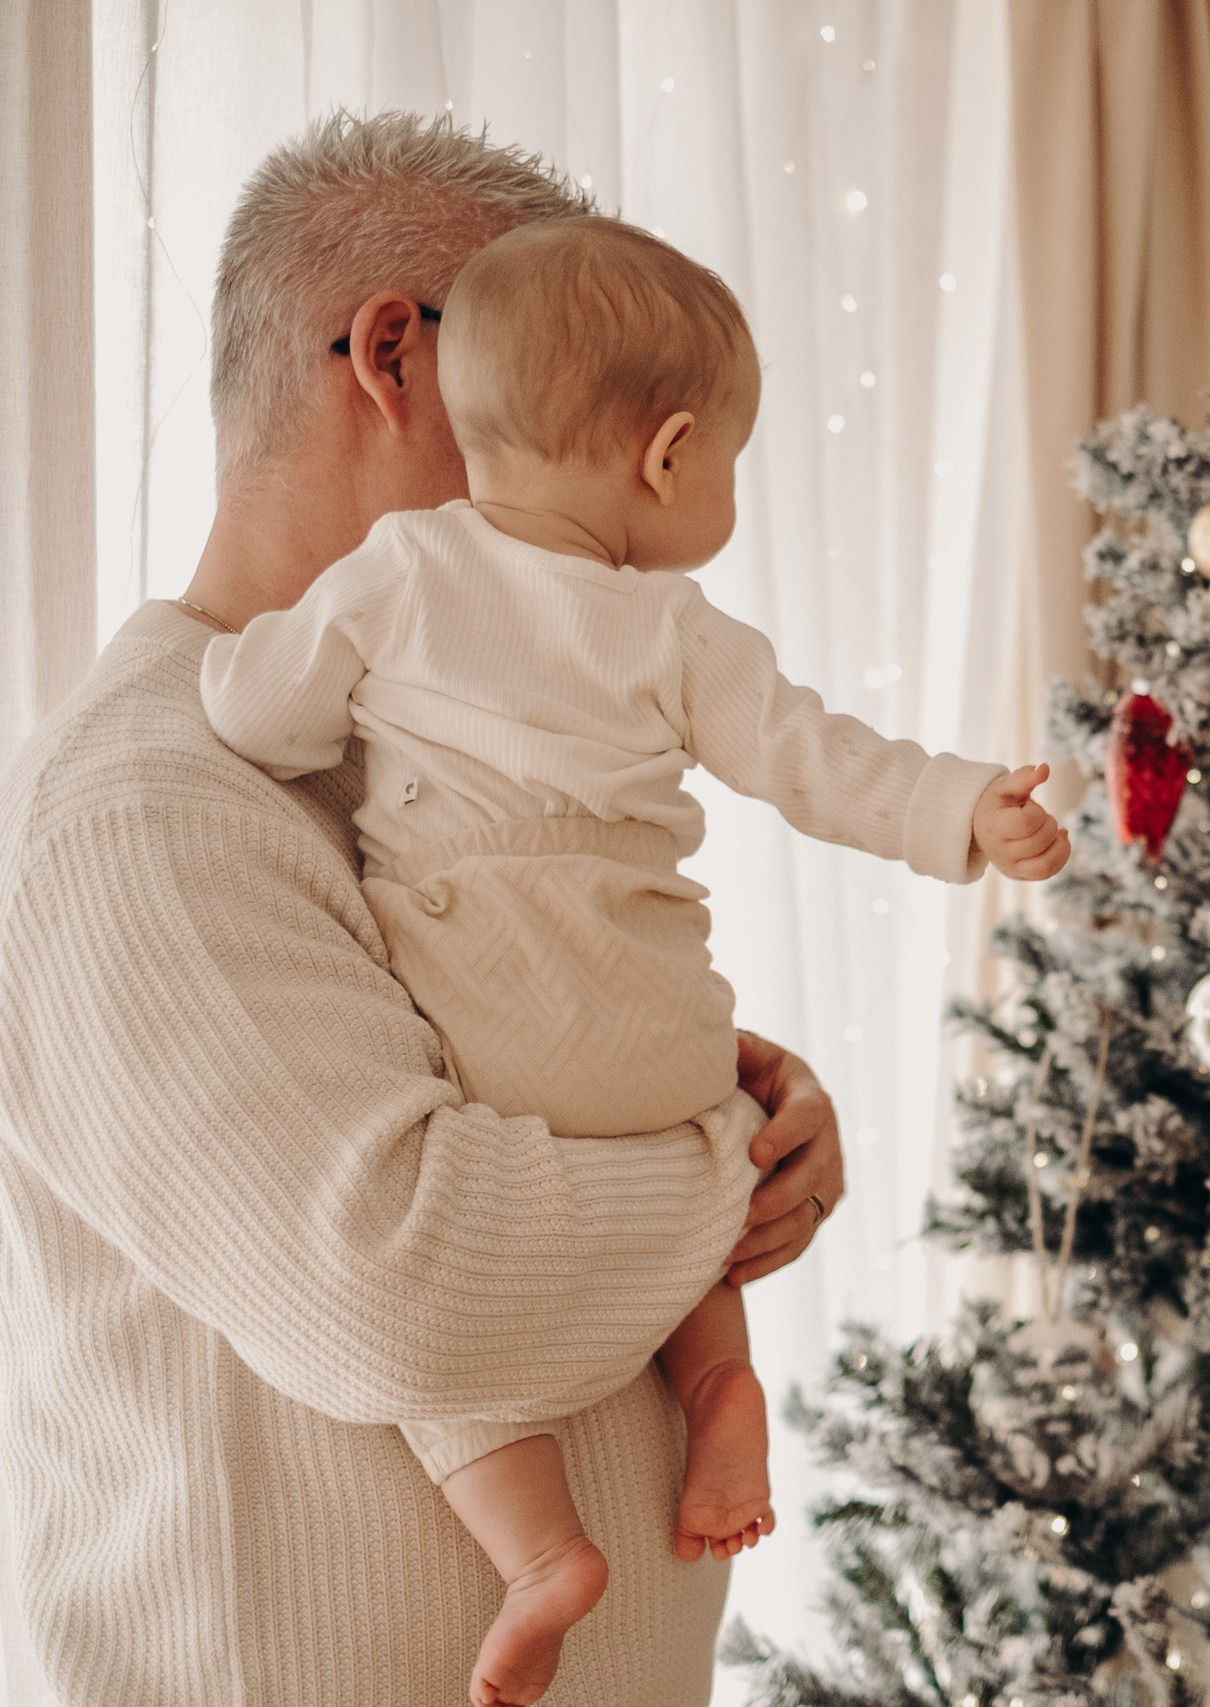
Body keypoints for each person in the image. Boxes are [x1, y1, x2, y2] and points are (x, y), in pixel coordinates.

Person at [0, 114, 846, 1707]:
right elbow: (410, 1284)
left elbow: (519, 1080)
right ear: (395, 357)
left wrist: (750, 1100)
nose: (617, 475)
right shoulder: (145, 809)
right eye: (560, 390)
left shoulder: (417, 751)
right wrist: (717, 1175)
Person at [194, 213, 1070, 1707]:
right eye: (728, 457)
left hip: (488, 1023)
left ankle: (540, 1552)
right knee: (683, 1154)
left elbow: (261, 720)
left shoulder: (399, 571)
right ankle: (721, 1381)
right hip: (664, 1023)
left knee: (456, 1374)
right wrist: (962, 809)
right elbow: (818, 763)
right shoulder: (676, 627)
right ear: (667, 459)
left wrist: (248, 670)